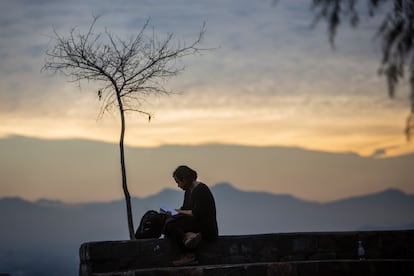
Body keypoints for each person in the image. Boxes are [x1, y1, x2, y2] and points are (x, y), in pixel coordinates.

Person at [164, 165, 218, 266]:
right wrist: (173, 213)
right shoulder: (188, 191)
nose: (178, 186)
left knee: (172, 226)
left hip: (205, 226)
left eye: (178, 182)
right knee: (168, 222)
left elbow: (196, 213)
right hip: (194, 222)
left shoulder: (201, 189)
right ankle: (188, 236)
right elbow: (185, 209)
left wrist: (179, 212)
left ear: (185, 179)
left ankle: (188, 256)